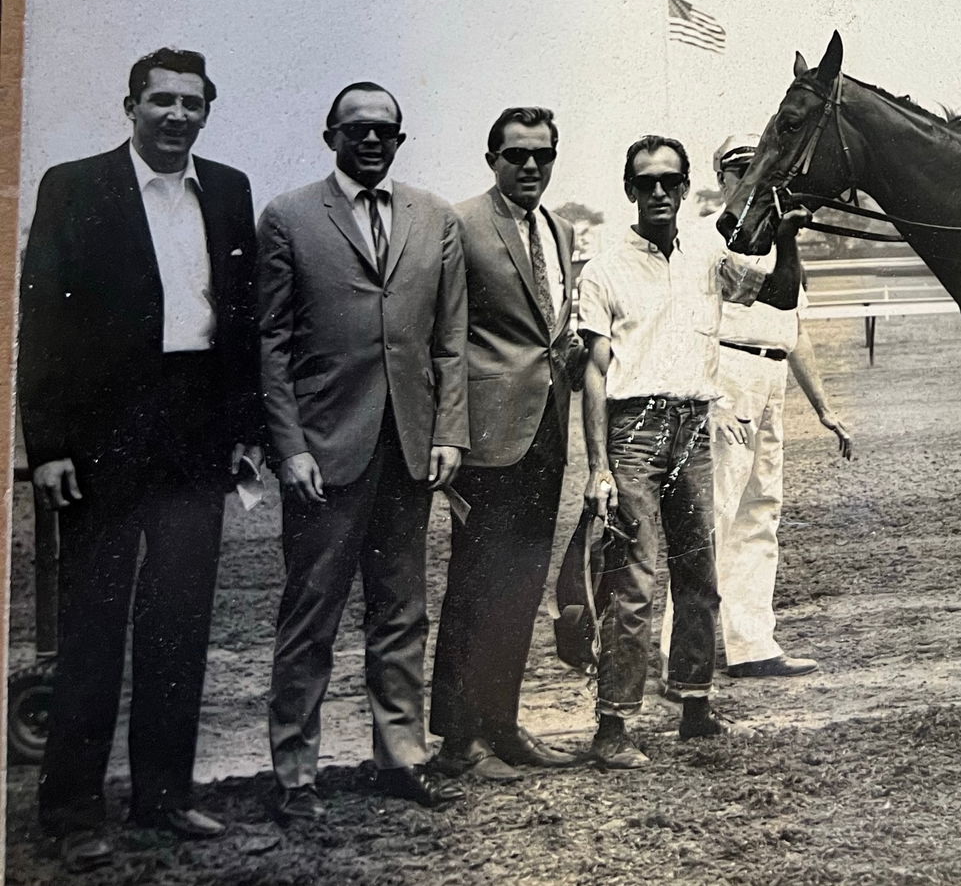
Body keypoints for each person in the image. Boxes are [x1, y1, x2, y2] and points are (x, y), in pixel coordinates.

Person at [18, 49, 260, 868]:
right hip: (104, 436)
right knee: (94, 624)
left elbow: (240, 324)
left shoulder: (227, 191)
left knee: (180, 618)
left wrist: (240, 431)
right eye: (162, 100)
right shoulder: (74, 186)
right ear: (131, 106)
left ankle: (164, 795)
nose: (177, 114)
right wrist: (46, 446)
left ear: (207, 111)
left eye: (193, 102)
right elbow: (40, 322)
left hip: (194, 431)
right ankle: (73, 809)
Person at [257, 82, 468, 822]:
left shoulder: (433, 216)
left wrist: (447, 432)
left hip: (408, 449)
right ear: (331, 135)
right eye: (358, 130)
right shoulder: (287, 216)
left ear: (400, 139)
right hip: (325, 452)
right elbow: (273, 345)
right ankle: (294, 772)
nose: (372, 141)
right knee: (311, 612)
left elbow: (448, 339)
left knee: (401, 609)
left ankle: (401, 757)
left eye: (386, 131)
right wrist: (291, 448)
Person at [576, 133, 802, 769]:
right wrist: (598, 466)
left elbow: (776, 297)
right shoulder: (605, 268)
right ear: (629, 190)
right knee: (635, 581)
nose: (657, 192)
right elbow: (594, 373)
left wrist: (787, 238)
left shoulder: (706, 250)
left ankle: (696, 705)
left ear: (683, 189)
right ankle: (613, 726)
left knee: (701, 575)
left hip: (694, 424)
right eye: (644, 181)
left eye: (668, 182)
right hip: (634, 431)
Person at [660, 133, 853, 687]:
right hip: (726, 374)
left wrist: (823, 407)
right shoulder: (704, 239)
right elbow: (688, 324)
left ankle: (751, 645)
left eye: (757, 166)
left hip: (771, 380)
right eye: (737, 168)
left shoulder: (779, 240)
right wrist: (708, 393)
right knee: (711, 517)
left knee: (760, 512)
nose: (748, 176)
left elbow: (794, 331)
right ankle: (682, 654)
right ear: (721, 178)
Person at [429, 106, 585, 780]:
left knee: (521, 586)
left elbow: (553, 335)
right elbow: (445, 339)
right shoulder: (462, 223)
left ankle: (503, 724)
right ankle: (459, 742)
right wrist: (452, 438)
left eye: (542, 154)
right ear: (492, 158)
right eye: (516, 154)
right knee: (474, 582)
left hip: (547, 432)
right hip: (485, 442)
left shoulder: (560, 227)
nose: (530, 166)